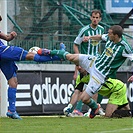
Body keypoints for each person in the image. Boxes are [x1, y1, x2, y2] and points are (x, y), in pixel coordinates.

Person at [38, 25, 133, 118]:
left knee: (84, 98)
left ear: (116, 35)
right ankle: (49, 52)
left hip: (100, 75)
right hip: (94, 61)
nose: (107, 35)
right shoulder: (109, 38)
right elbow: (100, 37)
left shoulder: (125, 47)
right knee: (71, 57)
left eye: (110, 33)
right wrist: (90, 37)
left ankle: (95, 107)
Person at [0, 15, 63, 119]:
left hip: (3, 57)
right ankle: (60, 55)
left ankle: (11, 110)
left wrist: (11, 36)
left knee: (13, 81)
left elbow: (7, 38)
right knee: (32, 55)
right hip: (3, 51)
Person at [71, 9, 105, 116]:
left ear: (100, 19)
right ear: (90, 18)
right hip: (86, 62)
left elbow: (99, 46)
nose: (95, 19)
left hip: (97, 62)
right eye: (93, 17)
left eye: (97, 18)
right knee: (82, 86)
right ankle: (76, 109)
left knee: (95, 86)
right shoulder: (84, 30)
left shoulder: (101, 29)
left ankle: (92, 109)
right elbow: (75, 44)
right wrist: (79, 61)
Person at [63, 66, 131, 117]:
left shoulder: (94, 74)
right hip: (114, 90)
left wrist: (94, 107)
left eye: (81, 65)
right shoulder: (80, 78)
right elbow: (76, 93)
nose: (79, 67)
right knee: (127, 111)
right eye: (77, 66)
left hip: (117, 89)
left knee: (108, 115)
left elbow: (95, 92)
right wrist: (69, 106)